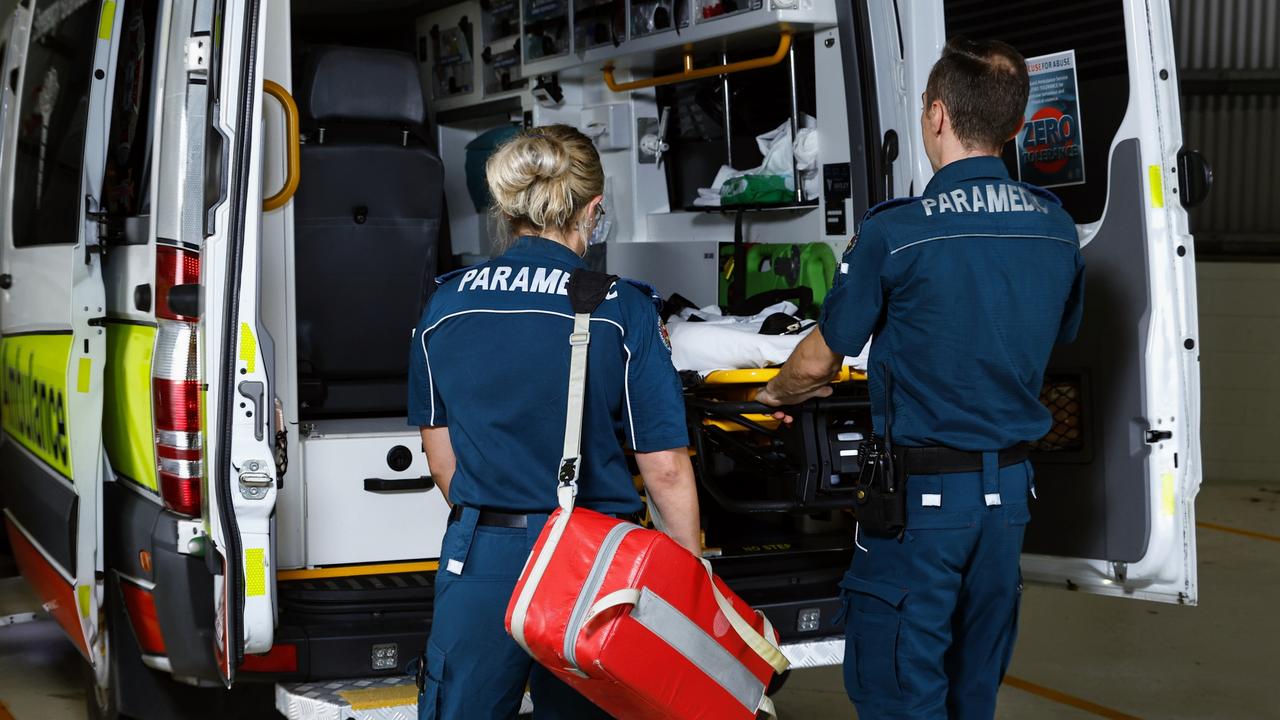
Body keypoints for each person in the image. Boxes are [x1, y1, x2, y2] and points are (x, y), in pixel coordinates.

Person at [755, 37, 1085, 719]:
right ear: (1017, 126)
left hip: (920, 507)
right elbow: (1046, 338)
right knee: (973, 689)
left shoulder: (897, 232)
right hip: (1008, 505)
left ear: (936, 115)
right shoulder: (1055, 229)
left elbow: (822, 359)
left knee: (901, 685)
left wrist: (773, 395)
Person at [407, 124, 701, 719]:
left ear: (506, 210)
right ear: (593, 210)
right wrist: (689, 579)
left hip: (480, 553)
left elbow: (443, 462)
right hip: (594, 564)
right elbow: (665, 469)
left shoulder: (445, 305)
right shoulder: (622, 309)